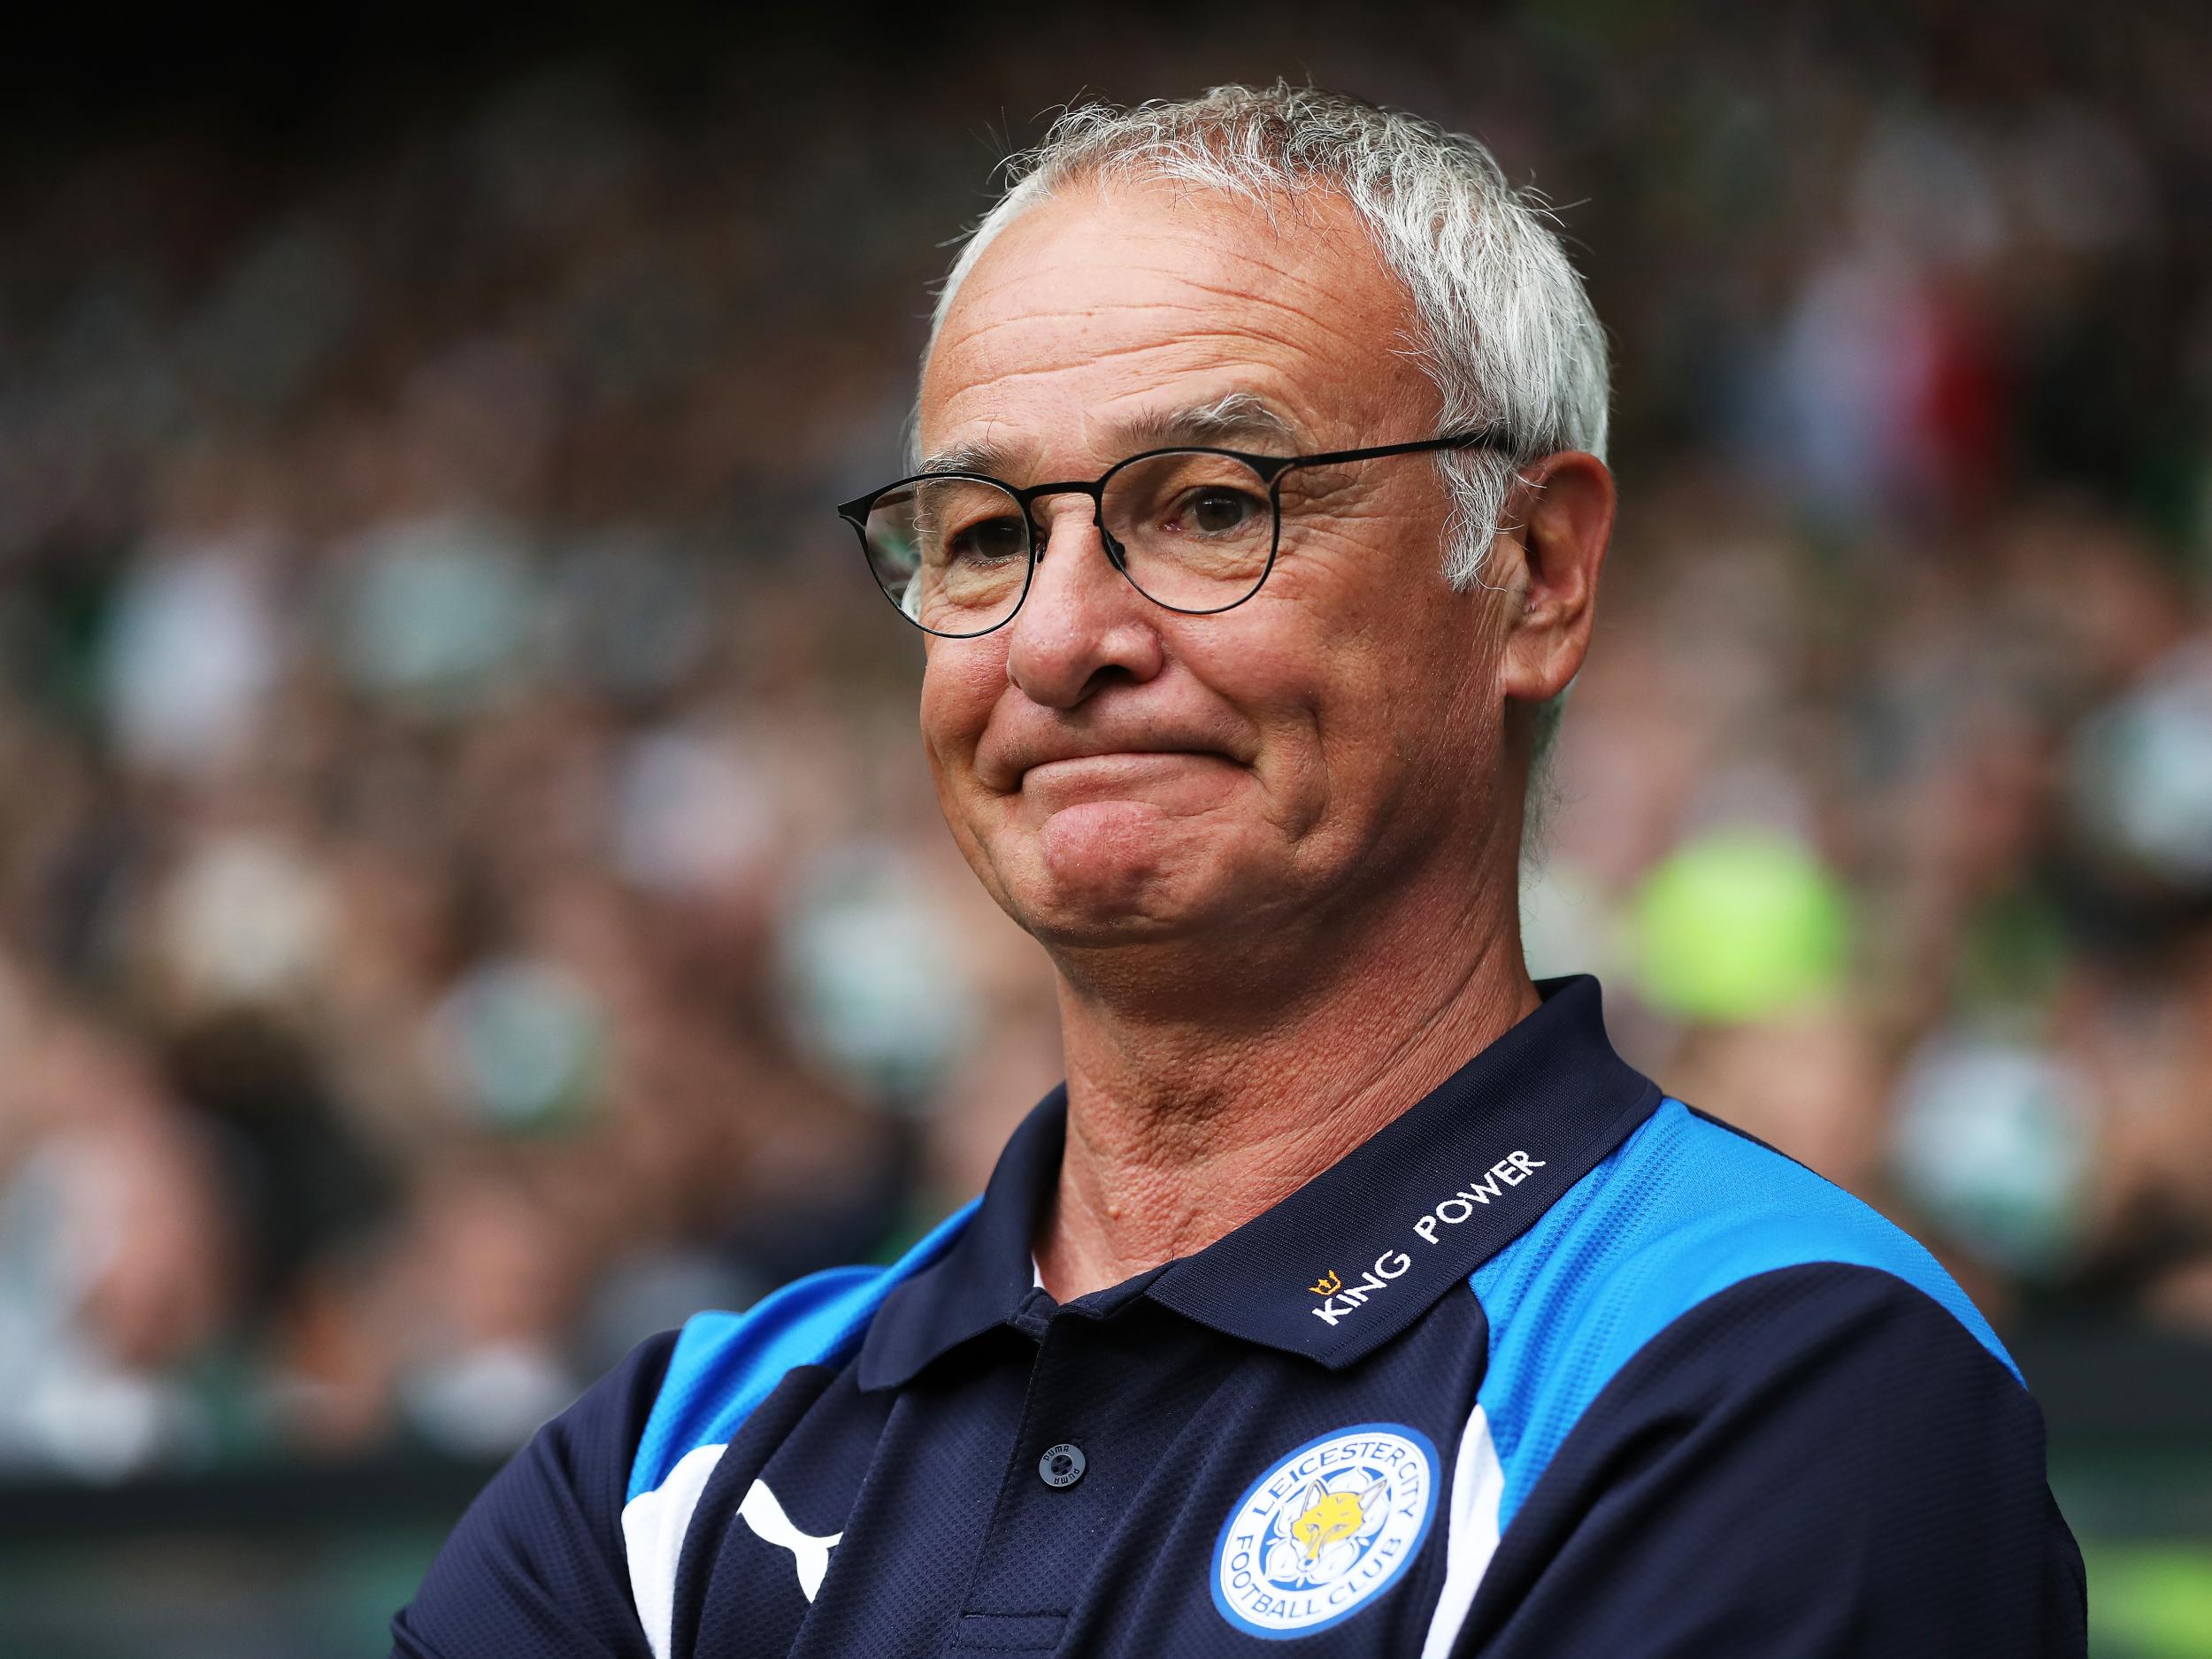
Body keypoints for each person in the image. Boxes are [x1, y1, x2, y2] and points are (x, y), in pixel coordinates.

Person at [394, 83, 2085, 1658]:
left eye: (1211, 503)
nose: (1057, 639)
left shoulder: (1769, 1376)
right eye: (983, 536)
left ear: (1539, 571)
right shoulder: (673, 1461)